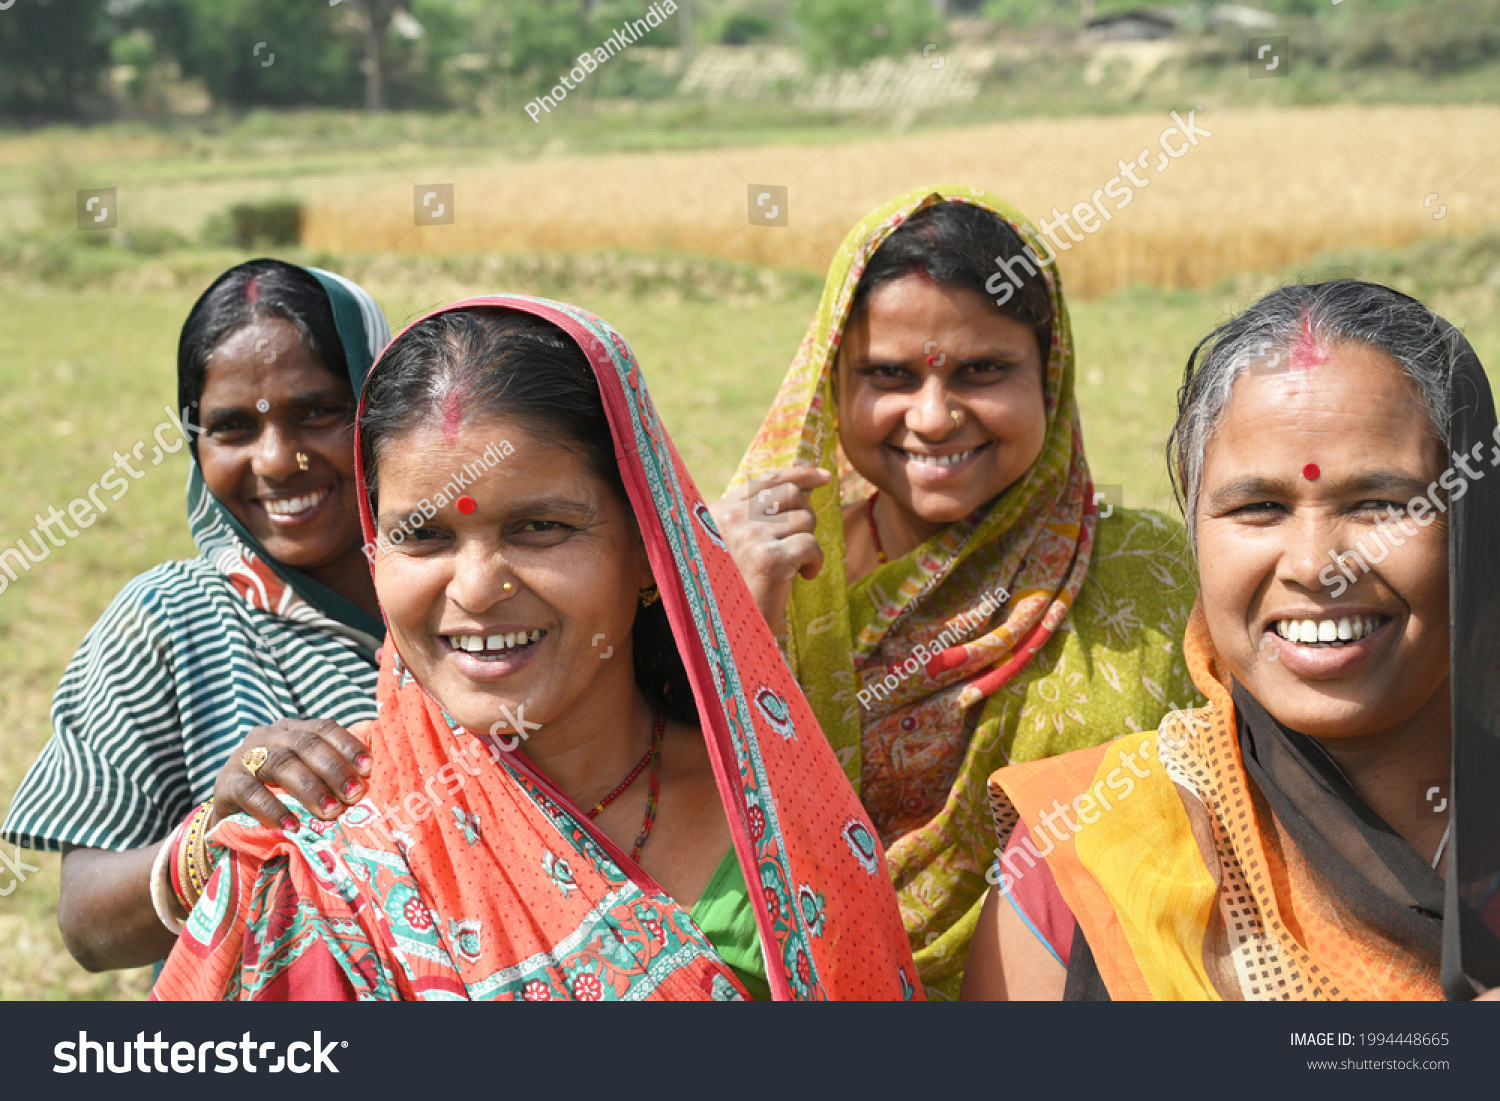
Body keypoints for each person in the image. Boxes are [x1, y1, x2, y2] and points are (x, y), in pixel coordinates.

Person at [151, 295, 921, 1001]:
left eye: (540, 527)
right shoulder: (327, 860)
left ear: (651, 552)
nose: (479, 587)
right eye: (423, 537)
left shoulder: (780, 808)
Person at [711, 186, 1199, 997]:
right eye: (889, 375)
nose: (933, 417)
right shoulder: (766, 569)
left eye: (982, 370)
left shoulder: (1156, 572)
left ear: (1050, 374)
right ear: (833, 384)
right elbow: (691, 822)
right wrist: (732, 612)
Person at [964, 280, 1500, 1000]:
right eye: (1260, 507)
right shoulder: (1087, 849)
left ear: (1476, 528)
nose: (1316, 565)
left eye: (1379, 503)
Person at [1, 260, 392, 971]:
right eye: (232, 427)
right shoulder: (166, 621)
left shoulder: (470, 595)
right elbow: (87, 924)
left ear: (385, 404)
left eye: (317, 411)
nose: (277, 460)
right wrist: (210, 838)